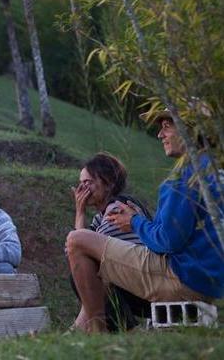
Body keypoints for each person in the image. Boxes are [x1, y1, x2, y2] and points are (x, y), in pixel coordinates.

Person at [66, 110, 224, 332]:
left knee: (76, 241)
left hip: (181, 278)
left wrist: (134, 222)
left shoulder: (184, 179)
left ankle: (96, 334)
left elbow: (167, 241)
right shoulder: (214, 172)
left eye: (167, 126)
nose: (160, 134)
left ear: (191, 129)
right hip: (208, 284)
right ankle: (93, 329)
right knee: (84, 249)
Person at [69, 152, 151, 331]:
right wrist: (80, 213)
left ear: (109, 183)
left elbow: (84, 254)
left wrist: (80, 213)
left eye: (88, 182)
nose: (82, 189)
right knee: (84, 271)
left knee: (89, 273)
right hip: (136, 284)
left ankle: (127, 330)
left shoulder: (118, 208)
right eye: (80, 183)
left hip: (148, 285)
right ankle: (81, 329)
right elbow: (75, 251)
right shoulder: (100, 217)